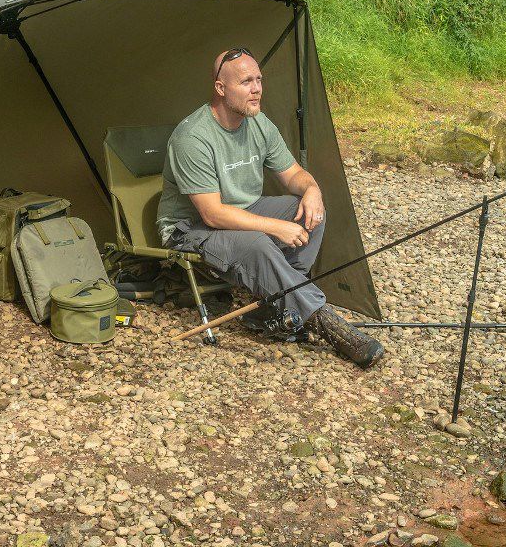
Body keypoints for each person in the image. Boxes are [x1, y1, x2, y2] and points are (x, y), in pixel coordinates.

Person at [156, 47, 384, 369]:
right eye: (246, 81)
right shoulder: (193, 137)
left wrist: (313, 191)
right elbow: (212, 214)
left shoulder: (259, 123)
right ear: (221, 88)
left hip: (243, 209)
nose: (257, 88)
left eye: (259, 80)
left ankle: (274, 308)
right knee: (258, 241)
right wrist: (274, 226)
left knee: (307, 212)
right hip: (189, 228)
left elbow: (293, 175)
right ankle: (332, 327)